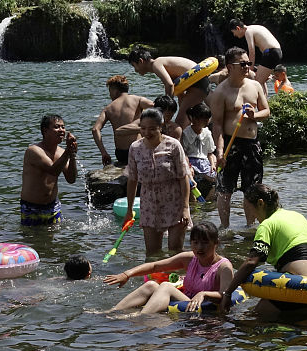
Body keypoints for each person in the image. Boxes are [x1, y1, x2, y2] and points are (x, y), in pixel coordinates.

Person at [221, 185, 307, 314]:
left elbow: (251, 263)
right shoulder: (296, 216)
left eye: (249, 209)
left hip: (298, 288)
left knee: (251, 319)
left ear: (260, 204)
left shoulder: (267, 225)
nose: (251, 215)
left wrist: (228, 293)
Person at [106, 221, 233, 314]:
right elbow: (155, 266)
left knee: (166, 286)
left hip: (204, 307)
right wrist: (126, 274)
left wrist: (204, 294)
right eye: (195, 242)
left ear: (216, 243)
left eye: (205, 243)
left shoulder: (223, 267)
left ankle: (141, 317)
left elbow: (225, 295)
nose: (199, 247)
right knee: (151, 285)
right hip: (186, 300)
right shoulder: (189, 258)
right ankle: (111, 312)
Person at [207, 46, 271, 230]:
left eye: (248, 63)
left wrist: (254, 115)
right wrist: (219, 152)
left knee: (252, 190)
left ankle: (250, 227)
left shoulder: (255, 86)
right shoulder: (221, 92)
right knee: (225, 189)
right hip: (230, 143)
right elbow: (217, 125)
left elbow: (266, 111)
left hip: (252, 144)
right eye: (242, 64)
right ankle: (225, 228)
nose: (247, 67)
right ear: (230, 66)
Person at [124, 108, 192, 256]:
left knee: (175, 250)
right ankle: (154, 279)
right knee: (152, 253)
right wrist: (129, 210)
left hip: (174, 201)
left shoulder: (173, 145)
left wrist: (185, 208)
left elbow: (183, 177)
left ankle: (177, 277)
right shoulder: (135, 148)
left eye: (152, 129)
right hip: (149, 203)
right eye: (143, 128)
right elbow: (132, 179)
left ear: (161, 127)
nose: (147, 133)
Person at [126, 48, 204, 132]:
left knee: (179, 125)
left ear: (141, 61)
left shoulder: (156, 64)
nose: (135, 70)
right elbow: (178, 87)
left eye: (134, 66)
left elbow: (169, 85)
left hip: (198, 83)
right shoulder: (163, 64)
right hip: (200, 82)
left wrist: (167, 108)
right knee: (184, 121)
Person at [21, 114, 77, 227]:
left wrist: (72, 155)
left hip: (53, 206)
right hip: (32, 207)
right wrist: (68, 151)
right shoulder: (34, 151)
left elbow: (71, 179)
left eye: (63, 127)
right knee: (32, 240)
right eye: (57, 127)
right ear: (45, 131)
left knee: (53, 241)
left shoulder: (61, 152)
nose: (62, 130)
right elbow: (53, 170)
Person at [91, 74, 154, 167]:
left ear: (115, 90)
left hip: (121, 154)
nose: (110, 95)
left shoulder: (108, 108)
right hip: (138, 149)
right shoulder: (137, 100)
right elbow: (155, 106)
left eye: (110, 91)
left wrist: (104, 153)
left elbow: (95, 129)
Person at [229, 19, 283, 88]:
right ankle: (264, 98)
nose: (234, 35)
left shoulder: (248, 32)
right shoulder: (255, 27)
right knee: (260, 81)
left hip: (271, 52)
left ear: (238, 28)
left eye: (234, 32)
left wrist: (249, 69)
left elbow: (252, 52)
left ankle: (259, 98)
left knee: (256, 82)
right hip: (276, 52)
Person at [181, 102, 218, 176]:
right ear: (195, 119)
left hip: (204, 161)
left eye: (208, 119)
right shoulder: (186, 133)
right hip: (191, 161)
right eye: (204, 120)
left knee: (214, 176)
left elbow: (210, 153)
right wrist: (188, 165)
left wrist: (212, 165)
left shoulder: (207, 133)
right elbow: (184, 153)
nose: (207, 122)